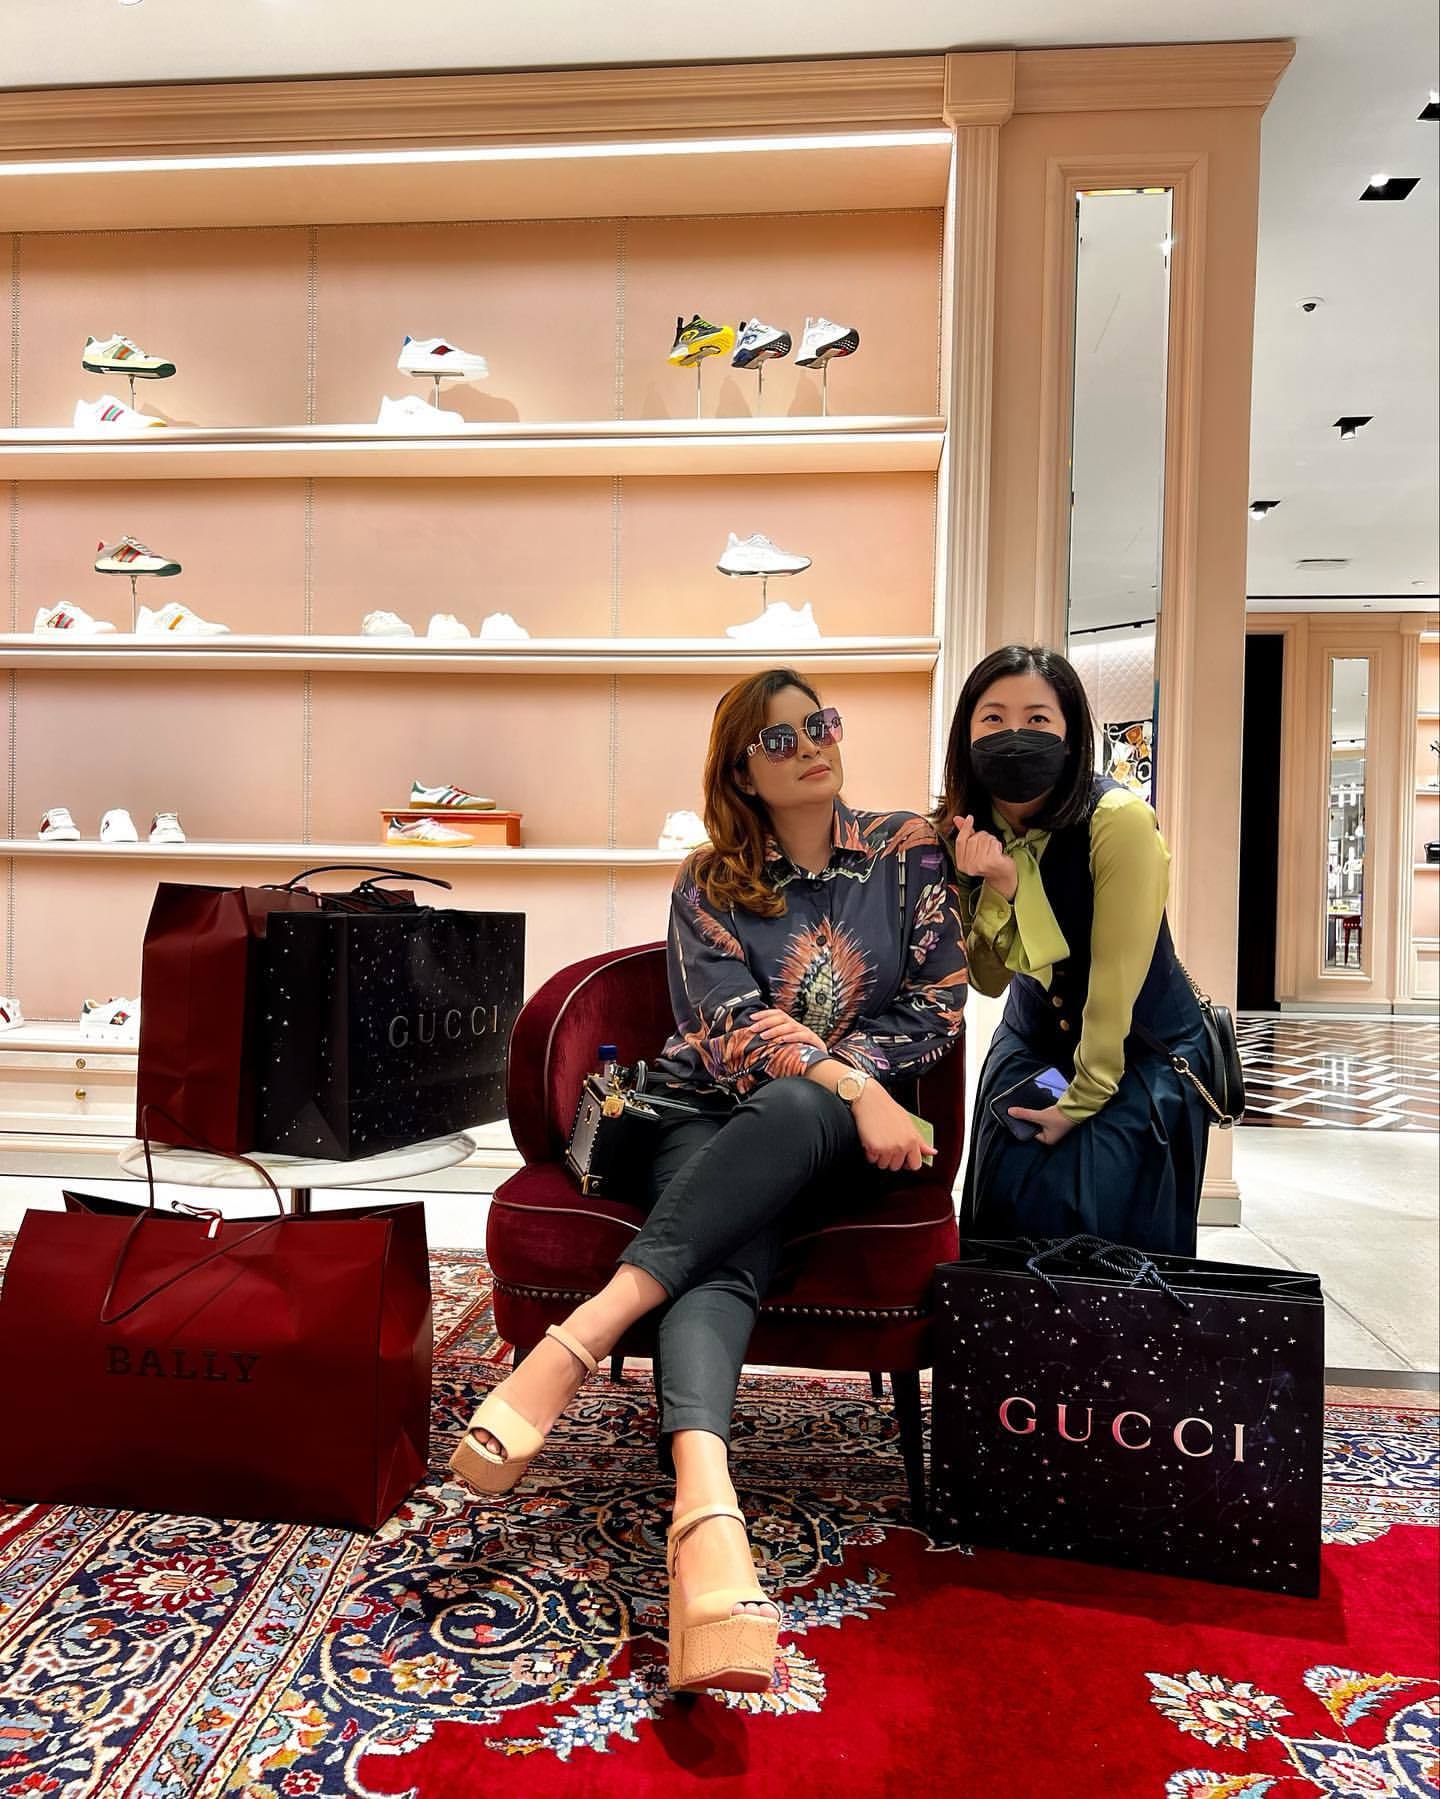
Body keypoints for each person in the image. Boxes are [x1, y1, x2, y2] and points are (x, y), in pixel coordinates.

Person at [450, 666, 968, 1696]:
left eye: (819, 724)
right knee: (728, 1244)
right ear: (741, 771)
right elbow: (725, 1024)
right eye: (780, 739)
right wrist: (843, 1078)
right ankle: (705, 1504)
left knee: (802, 1109)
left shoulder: (907, 851)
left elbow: (939, 1000)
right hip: (707, 1114)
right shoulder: (708, 879)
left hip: (844, 1137)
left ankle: (580, 1337)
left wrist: (849, 1087)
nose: (811, 746)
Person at [937, 643, 1212, 1255]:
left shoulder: (1119, 821)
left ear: (1070, 735)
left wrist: (1081, 1100)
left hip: (1135, 1049)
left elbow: (1115, 980)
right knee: (1007, 1209)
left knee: (1096, 1215)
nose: (1014, 735)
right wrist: (996, 886)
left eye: (1037, 719)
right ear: (967, 735)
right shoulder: (964, 829)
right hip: (1033, 1040)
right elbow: (985, 980)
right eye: (993, 718)